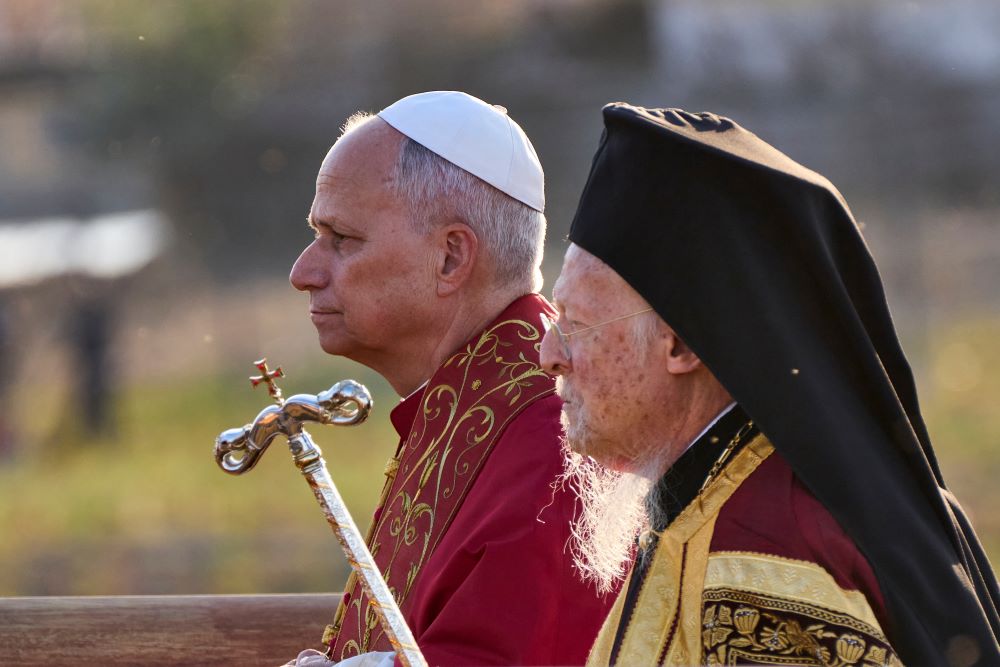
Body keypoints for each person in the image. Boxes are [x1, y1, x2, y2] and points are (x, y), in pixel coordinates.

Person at [540, 104, 1000, 666]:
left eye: (576, 325)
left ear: (681, 345)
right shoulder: (709, 498)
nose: (548, 355)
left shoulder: (764, 559)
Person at [287, 91, 613, 666]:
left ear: (451, 259)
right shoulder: (469, 404)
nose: (303, 273)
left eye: (342, 240)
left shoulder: (558, 440)